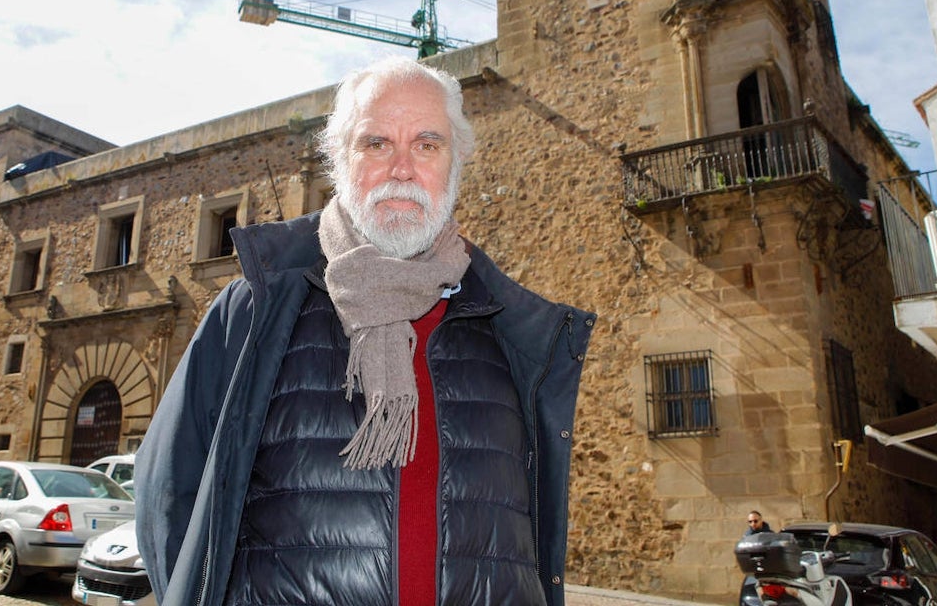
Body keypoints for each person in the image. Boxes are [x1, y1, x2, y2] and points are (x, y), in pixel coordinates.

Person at [134, 56, 596, 606]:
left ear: (456, 164)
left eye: (427, 145)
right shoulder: (254, 312)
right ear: (337, 159)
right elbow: (169, 499)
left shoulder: (513, 333)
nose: (403, 167)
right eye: (376, 143)